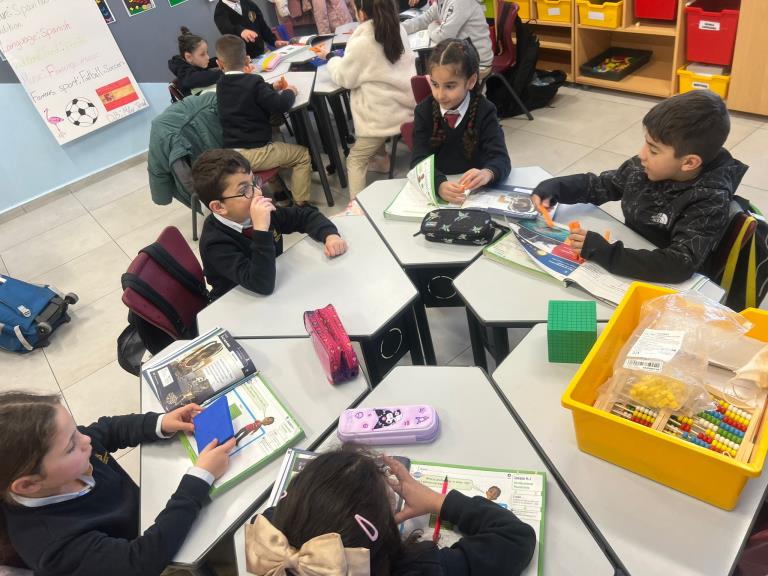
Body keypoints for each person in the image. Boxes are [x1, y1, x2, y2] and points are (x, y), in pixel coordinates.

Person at [0, 391, 235, 575]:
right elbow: (140, 562)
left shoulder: (77, 448)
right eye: (70, 447)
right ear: (28, 485)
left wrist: (160, 422)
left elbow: (108, 430)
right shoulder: (54, 548)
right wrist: (200, 478)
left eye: (76, 430)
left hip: (149, 521)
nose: (86, 439)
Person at [532, 90, 749, 283]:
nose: (642, 154)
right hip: (633, 254)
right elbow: (602, 185)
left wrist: (607, 253)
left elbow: (679, 264)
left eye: (653, 150)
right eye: (646, 142)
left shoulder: (709, 199)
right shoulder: (646, 166)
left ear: (689, 162)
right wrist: (555, 187)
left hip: (664, 281)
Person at [244, 447, 536, 575]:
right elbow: (515, 538)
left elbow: (277, 513)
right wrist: (439, 502)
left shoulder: (272, 548)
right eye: (389, 501)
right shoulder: (420, 569)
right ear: (384, 534)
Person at [193, 149, 347, 300]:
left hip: (273, 286)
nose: (258, 192)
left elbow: (304, 216)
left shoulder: (258, 212)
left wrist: (330, 235)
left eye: (254, 181)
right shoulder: (215, 243)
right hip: (238, 301)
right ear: (219, 207)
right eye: (245, 189)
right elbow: (261, 284)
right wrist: (261, 230)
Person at [322, 0, 417, 197]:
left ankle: (356, 208)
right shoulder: (398, 29)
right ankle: (382, 161)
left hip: (380, 118)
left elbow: (344, 78)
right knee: (373, 96)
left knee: (355, 160)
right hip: (406, 109)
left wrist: (331, 59)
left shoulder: (362, 41)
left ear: (362, 14)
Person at [215, 34, 315, 206]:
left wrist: (271, 87)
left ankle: (281, 195)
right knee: (302, 155)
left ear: (219, 64)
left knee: (271, 143)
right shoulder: (253, 81)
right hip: (255, 153)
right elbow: (281, 104)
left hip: (232, 154)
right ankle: (301, 206)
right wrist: (290, 91)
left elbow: (245, 93)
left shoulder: (221, 84)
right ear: (247, 59)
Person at [411, 39, 511, 204]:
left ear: (471, 81)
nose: (440, 95)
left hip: (475, 193)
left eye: (450, 86)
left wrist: (487, 173)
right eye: (435, 84)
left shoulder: (485, 110)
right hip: (442, 188)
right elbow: (418, 161)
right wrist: (438, 185)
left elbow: (501, 159)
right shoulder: (423, 111)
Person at [401, 0, 493, 77]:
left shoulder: (460, 2)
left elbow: (443, 37)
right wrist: (399, 28)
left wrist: (431, 26)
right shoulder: (441, 2)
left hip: (477, 63)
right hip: (462, 56)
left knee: (425, 72)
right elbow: (424, 19)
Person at [214, 0, 288, 59]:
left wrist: (274, 41)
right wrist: (241, 31)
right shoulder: (220, 11)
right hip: (243, 59)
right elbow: (226, 28)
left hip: (262, 52)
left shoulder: (249, 4)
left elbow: (263, 26)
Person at [168, 27, 222, 96]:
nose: (207, 57)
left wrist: (226, 60)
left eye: (207, 53)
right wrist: (224, 72)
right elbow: (194, 79)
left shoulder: (195, 63)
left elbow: (210, 62)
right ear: (189, 57)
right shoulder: (185, 74)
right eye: (202, 54)